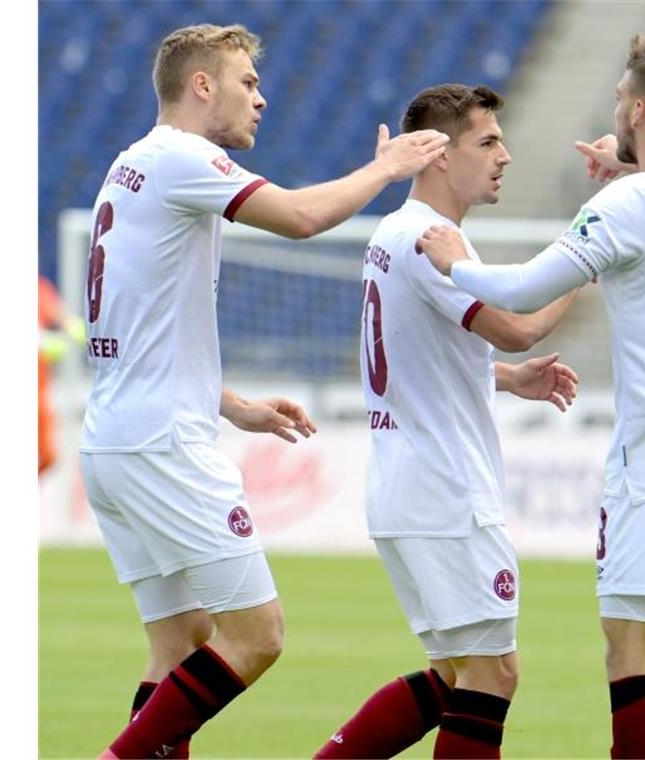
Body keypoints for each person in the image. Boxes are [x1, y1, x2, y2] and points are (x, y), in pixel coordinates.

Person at [79, 23, 448, 759]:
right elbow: (303, 218)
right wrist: (387, 168)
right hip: (163, 444)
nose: (262, 98)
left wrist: (231, 402)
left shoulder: (129, 167)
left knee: (180, 647)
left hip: (116, 435)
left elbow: (135, 323)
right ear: (202, 85)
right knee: (258, 635)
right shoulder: (186, 158)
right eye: (247, 82)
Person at [419, 36, 645, 759]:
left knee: (633, 648)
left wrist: (456, 263)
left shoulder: (631, 202)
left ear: (641, 107)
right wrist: (628, 171)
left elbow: (525, 289)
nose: (615, 105)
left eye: (622, 96)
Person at [312, 83, 580, 760]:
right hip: (445, 491)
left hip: (410, 484)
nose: (505, 156)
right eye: (487, 142)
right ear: (436, 154)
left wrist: (506, 378)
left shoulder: (395, 234)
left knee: (455, 675)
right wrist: (585, 266)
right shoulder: (434, 241)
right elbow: (518, 327)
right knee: (492, 674)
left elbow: (419, 357)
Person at [38, 275, 86, 475]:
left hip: (39, 397)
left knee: (48, 456)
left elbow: (62, 316)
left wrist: (74, 327)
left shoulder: (40, 288)